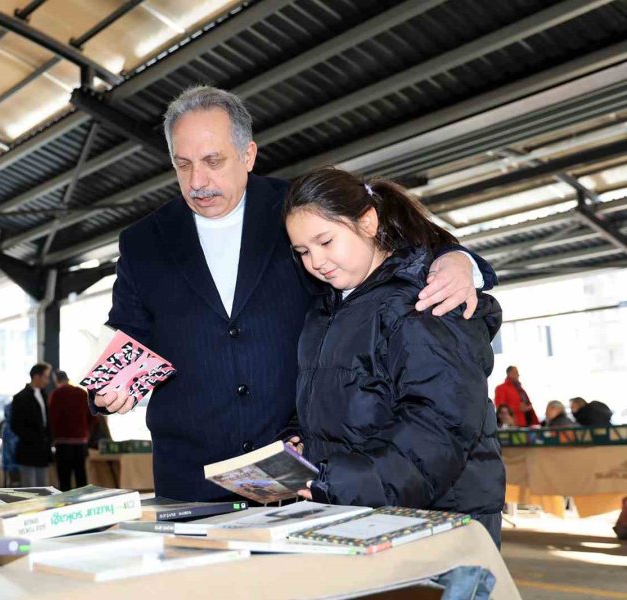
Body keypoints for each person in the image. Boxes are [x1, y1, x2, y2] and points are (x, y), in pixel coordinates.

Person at [94, 85, 497, 501]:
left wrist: (460, 262)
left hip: (297, 471)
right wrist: (108, 391)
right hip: (191, 476)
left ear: (248, 155)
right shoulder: (144, 241)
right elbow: (129, 332)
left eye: (213, 161)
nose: (198, 181)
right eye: (183, 164)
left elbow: (393, 241)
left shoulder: (294, 211)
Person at [285, 167, 505, 547]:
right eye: (303, 251)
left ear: (367, 222)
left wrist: (340, 482)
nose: (316, 261)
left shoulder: (423, 299)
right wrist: (299, 443)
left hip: (435, 522)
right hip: (365, 515)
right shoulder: (327, 311)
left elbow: (440, 424)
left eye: (326, 242)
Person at [48, 370, 95, 491]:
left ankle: (66, 505)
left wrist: (52, 437)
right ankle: (83, 501)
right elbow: (92, 416)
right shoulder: (81, 393)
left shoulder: (56, 394)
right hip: (80, 441)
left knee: (64, 478)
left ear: (56, 380)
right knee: (81, 475)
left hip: (62, 442)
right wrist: (86, 431)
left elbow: (52, 418)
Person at [11, 363, 53, 486]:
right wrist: (34, 438)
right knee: (30, 489)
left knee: (43, 487)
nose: (47, 380)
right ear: (37, 377)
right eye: (45, 377)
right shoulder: (21, 397)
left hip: (42, 449)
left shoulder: (44, 395)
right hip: (28, 449)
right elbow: (16, 425)